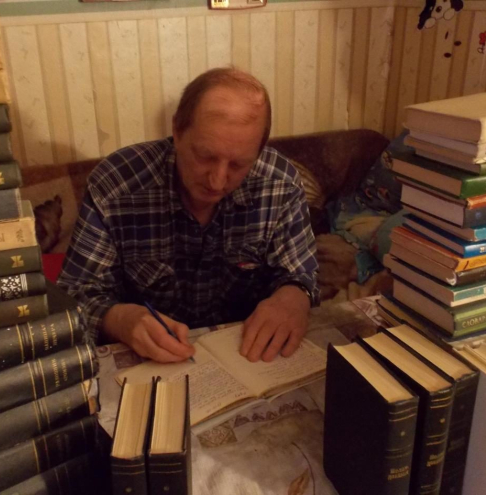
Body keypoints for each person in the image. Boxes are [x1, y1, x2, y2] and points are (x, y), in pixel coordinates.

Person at [57, 68, 319, 364]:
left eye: (238, 165)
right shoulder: (117, 186)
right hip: (148, 362)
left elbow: (300, 274)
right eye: (205, 156)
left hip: (246, 357)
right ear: (178, 131)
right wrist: (119, 320)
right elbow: (74, 295)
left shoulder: (280, 185)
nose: (217, 181)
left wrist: (294, 297)